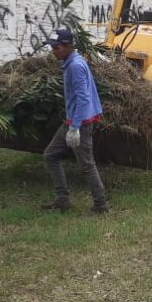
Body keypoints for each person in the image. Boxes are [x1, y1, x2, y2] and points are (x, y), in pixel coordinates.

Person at [41, 28, 109, 214]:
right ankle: (63, 199)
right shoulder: (70, 62)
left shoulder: (75, 66)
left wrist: (75, 128)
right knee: (50, 155)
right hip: (74, 119)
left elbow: (83, 98)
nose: (53, 51)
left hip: (81, 121)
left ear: (68, 46)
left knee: (87, 164)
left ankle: (100, 205)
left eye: (56, 47)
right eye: (52, 47)